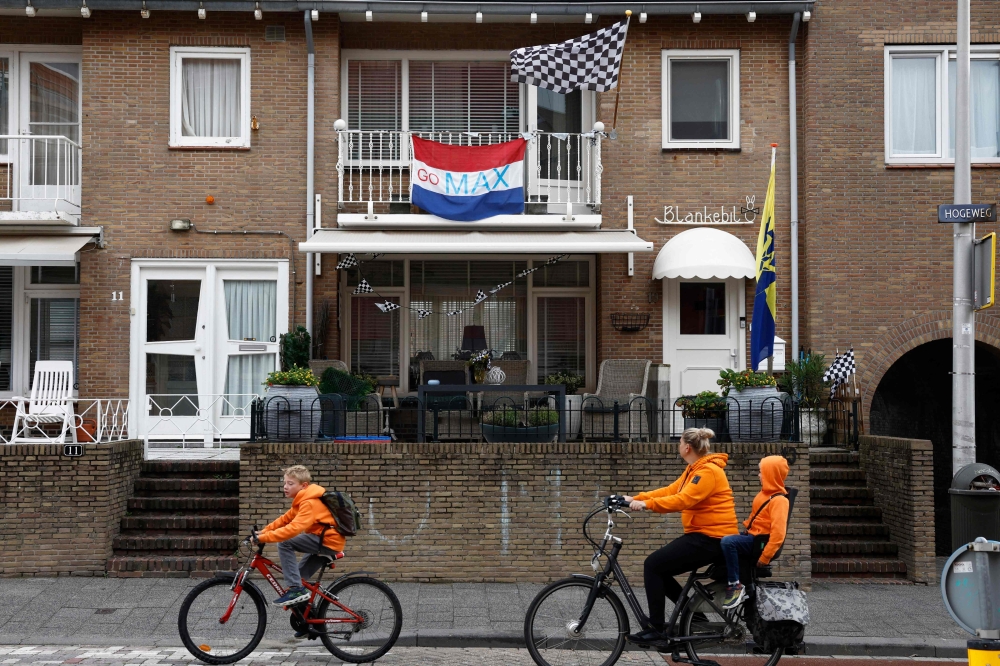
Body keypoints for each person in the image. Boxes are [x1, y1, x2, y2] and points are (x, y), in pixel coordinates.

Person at [622, 427, 739, 644]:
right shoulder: (694, 470)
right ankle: (695, 619)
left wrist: (646, 504)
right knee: (660, 569)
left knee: (653, 565)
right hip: (704, 536)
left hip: (711, 538)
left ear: (686, 447)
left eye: (679, 443)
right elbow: (671, 490)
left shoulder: (707, 472)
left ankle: (656, 630)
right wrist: (633, 498)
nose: (678, 447)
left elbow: (682, 500)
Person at [255, 465, 345, 609]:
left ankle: (296, 590)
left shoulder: (309, 502)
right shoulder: (301, 500)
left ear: (303, 486)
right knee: (299, 580)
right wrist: (263, 532)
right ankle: (311, 627)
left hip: (327, 541)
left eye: (290, 484)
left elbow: (293, 529)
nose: (285, 487)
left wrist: (265, 538)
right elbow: (285, 519)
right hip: (323, 539)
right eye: (284, 483)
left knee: (285, 543)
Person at [720, 455, 790, 609]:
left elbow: (778, 534)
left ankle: (735, 585)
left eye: (761, 472)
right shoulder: (763, 495)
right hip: (751, 537)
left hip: (759, 543)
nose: (759, 475)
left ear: (771, 474)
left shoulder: (780, 501)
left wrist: (765, 556)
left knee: (728, 542)